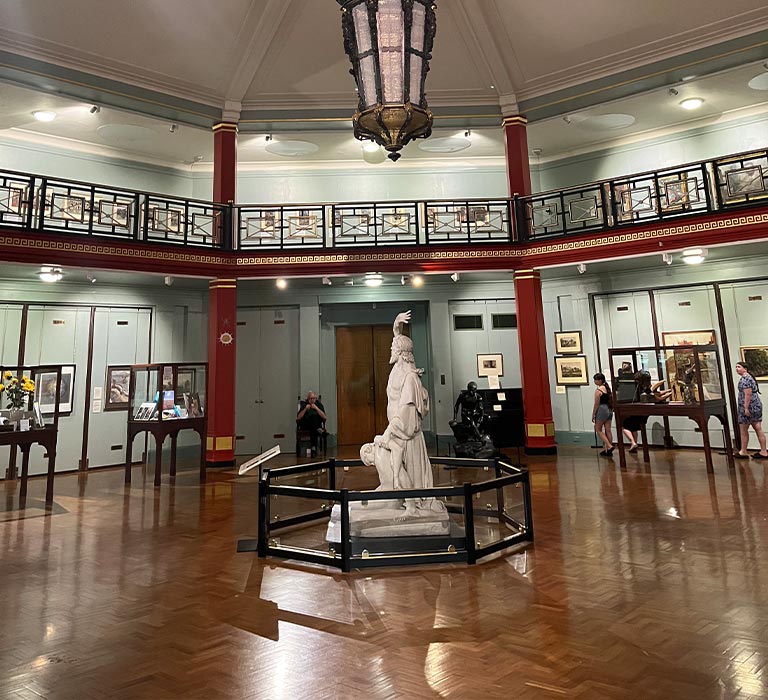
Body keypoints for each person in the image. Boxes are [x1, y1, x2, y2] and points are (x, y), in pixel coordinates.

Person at [372, 311, 444, 516]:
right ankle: (400, 500)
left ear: (401, 352)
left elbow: (406, 411)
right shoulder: (398, 368)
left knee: (408, 475)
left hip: (406, 436)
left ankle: (413, 505)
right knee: (398, 475)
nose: (391, 347)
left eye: (394, 347)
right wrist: (396, 324)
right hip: (397, 432)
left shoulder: (410, 378)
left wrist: (389, 432)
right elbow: (398, 337)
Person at [735, 362, 768, 459]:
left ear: (745, 368)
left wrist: (745, 408)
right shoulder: (750, 378)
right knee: (758, 428)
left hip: (749, 407)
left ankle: (743, 451)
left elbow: (748, 394)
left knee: (743, 429)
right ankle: (763, 451)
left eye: (739, 367)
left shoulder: (745, 379)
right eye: (736, 367)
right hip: (755, 406)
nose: (737, 369)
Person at [296, 391, 326, 456]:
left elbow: (324, 417)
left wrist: (316, 408)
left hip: (314, 425)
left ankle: (313, 448)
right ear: (308, 399)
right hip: (306, 425)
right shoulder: (304, 405)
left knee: (314, 422)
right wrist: (305, 409)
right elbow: (298, 418)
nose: (312, 400)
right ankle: (319, 431)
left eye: (314, 398)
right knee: (312, 421)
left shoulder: (318, 404)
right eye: (311, 398)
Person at [592, 373, 614, 456]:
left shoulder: (598, 391)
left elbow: (596, 404)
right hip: (609, 409)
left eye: (595, 380)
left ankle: (609, 445)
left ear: (600, 380)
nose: (594, 381)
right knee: (608, 430)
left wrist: (593, 414)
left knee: (598, 429)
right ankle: (608, 450)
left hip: (602, 409)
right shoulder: (607, 389)